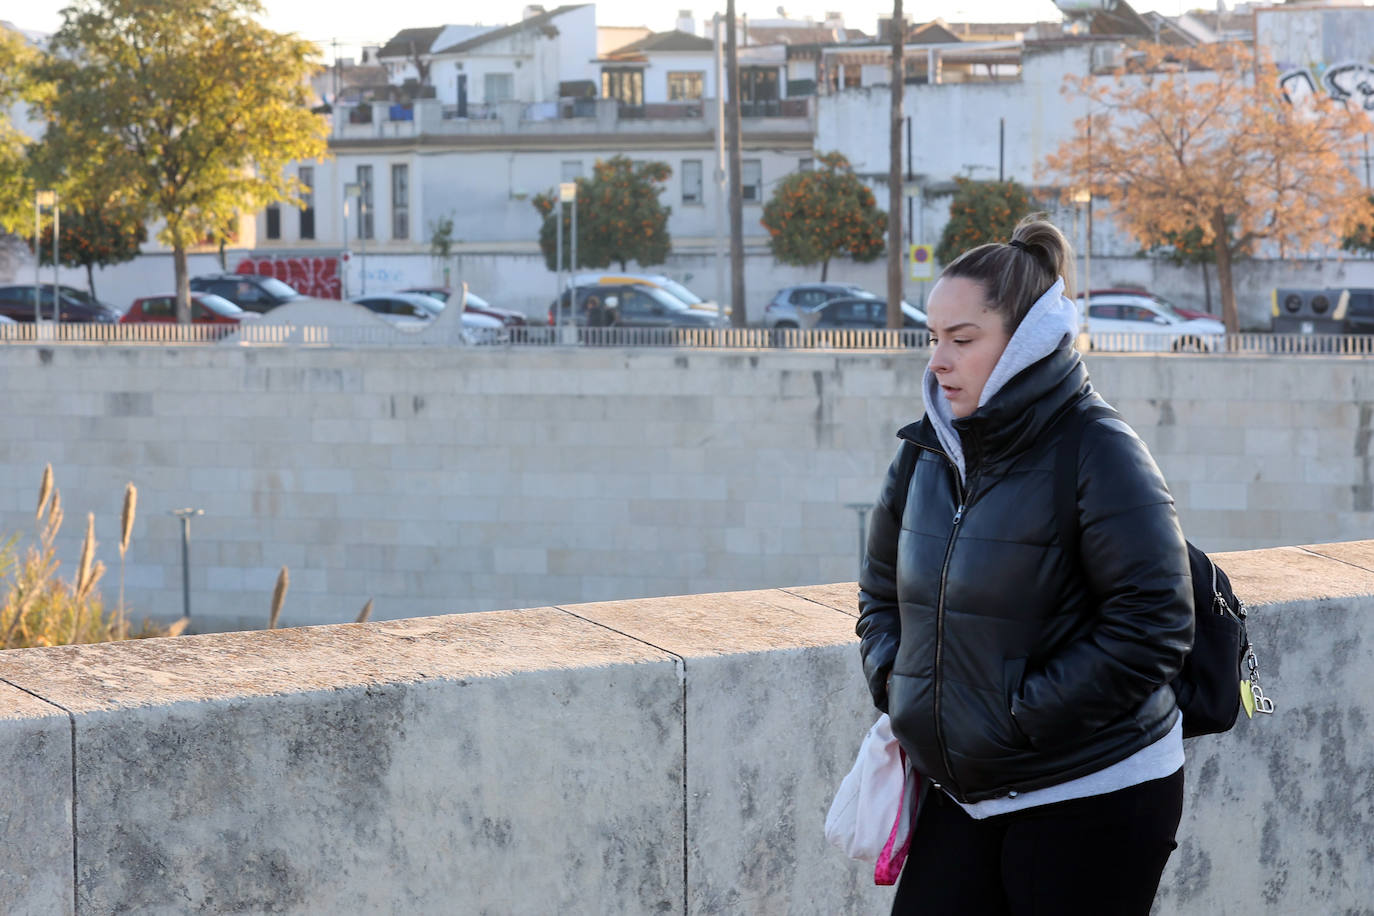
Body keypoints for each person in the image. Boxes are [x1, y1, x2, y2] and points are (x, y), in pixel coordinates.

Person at [856, 215, 1193, 916]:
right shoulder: (924, 453)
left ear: (1026, 344)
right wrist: (901, 687)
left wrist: (1015, 715)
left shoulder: (1097, 449)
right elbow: (880, 594)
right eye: (933, 339)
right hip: (965, 790)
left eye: (963, 340)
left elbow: (1155, 624)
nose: (938, 361)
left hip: (1091, 789)